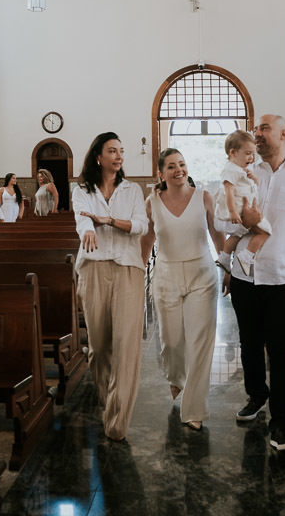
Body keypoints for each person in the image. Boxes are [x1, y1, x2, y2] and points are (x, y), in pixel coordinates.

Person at [226, 114, 285, 452]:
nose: (258, 135)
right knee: (249, 343)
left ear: (284, 134)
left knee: (281, 352)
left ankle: (281, 421)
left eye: (264, 129)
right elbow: (231, 224)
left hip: (283, 276)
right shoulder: (243, 174)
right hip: (245, 274)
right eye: (255, 131)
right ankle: (256, 396)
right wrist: (243, 228)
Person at [140, 149, 226, 431]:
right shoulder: (152, 201)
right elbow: (147, 239)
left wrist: (227, 266)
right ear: (161, 173)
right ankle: (176, 376)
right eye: (172, 166)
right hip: (166, 274)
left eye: (182, 164)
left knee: (201, 342)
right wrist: (139, 272)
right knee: (172, 341)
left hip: (202, 274)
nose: (179, 170)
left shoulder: (203, 196)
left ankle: (194, 410)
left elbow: (216, 233)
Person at [72, 132, 148, 442]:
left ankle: (118, 421)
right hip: (94, 267)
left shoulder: (132, 190)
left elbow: (141, 226)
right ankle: (108, 400)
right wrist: (90, 228)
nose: (118, 156)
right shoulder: (82, 190)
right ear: (98, 157)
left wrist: (110, 221)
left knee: (126, 346)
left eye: (121, 151)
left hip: (128, 268)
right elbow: (81, 219)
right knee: (100, 347)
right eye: (112, 151)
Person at [214, 130, 272, 275]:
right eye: (248, 153)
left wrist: (253, 178)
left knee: (236, 235)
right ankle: (246, 256)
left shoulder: (240, 170)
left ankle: (225, 258)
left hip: (243, 211)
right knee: (265, 232)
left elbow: (254, 186)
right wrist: (233, 212)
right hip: (239, 212)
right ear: (233, 152)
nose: (252, 158)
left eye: (253, 154)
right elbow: (228, 191)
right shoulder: (231, 170)